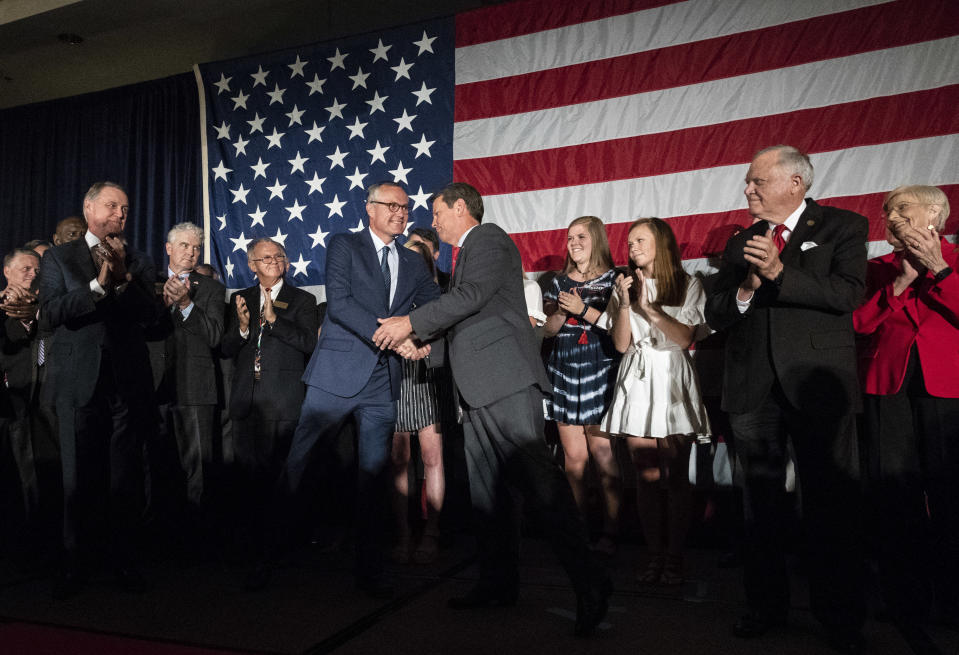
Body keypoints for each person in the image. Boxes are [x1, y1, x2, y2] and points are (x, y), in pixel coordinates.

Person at [373, 182, 611, 637]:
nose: (434, 221)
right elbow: (470, 325)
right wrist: (424, 351)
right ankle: (498, 582)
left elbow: (471, 299)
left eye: (439, 212)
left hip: (505, 385)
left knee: (542, 486)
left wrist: (412, 324)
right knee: (490, 496)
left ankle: (591, 582)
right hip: (478, 390)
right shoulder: (465, 255)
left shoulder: (489, 240)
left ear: (461, 207)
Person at [704, 146, 868, 653]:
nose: (747, 189)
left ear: (795, 184)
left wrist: (779, 274)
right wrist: (748, 289)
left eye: (757, 181)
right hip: (753, 387)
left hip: (816, 386)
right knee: (760, 505)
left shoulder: (844, 226)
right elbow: (717, 311)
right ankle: (764, 607)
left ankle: (838, 617)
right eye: (748, 182)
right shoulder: (742, 241)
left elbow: (847, 295)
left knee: (830, 504)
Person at [271, 182, 439, 598]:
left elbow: (435, 303)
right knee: (298, 468)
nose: (400, 212)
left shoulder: (414, 262)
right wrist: (396, 338)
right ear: (370, 209)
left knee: (373, 478)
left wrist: (421, 333)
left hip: (383, 384)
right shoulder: (344, 244)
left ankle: (370, 570)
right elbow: (341, 305)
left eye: (405, 207)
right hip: (335, 377)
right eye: (391, 206)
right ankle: (269, 557)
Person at [39, 181, 159, 598]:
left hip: (126, 382)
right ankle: (76, 563)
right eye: (112, 206)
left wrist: (124, 280)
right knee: (78, 478)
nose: (120, 216)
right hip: (78, 381)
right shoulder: (58, 257)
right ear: (89, 208)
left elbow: (154, 319)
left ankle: (123, 561)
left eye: (125, 209)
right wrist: (96, 286)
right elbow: (50, 313)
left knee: (124, 476)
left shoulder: (139, 261)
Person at [853, 185, 958, 629]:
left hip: (948, 391)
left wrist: (939, 270)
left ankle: (952, 601)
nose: (889, 216)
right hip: (887, 388)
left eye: (900, 209)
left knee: (951, 496)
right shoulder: (875, 269)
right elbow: (858, 324)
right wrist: (900, 282)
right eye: (886, 210)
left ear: (934, 214)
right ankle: (903, 600)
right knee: (895, 497)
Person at [600, 218, 711, 585]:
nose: (631, 247)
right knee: (645, 476)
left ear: (661, 244)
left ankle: (675, 556)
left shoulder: (688, 284)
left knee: (676, 475)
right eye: (629, 242)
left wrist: (650, 308)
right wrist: (626, 303)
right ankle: (654, 555)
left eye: (640, 241)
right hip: (637, 377)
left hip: (672, 376)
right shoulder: (625, 286)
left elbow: (683, 339)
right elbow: (619, 344)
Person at [220, 238, 316, 566]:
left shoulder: (302, 299)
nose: (273, 261)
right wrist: (244, 329)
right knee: (249, 477)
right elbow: (227, 348)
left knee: (281, 477)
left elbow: (308, 344)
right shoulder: (240, 299)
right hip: (247, 402)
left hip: (283, 401)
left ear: (286, 262)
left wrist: (274, 321)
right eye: (265, 258)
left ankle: (281, 546)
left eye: (278, 256)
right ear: (252, 265)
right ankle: (251, 546)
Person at [542, 216, 622, 555]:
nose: (574, 242)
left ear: (598, 240)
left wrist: (582, 309)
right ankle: (578, 534)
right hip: (564, 370)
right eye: (570, 237)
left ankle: (612, 534)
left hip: (599, 370)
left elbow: (621, 329)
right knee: (573, 460)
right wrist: (561, 312)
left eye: (581, 236)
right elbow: (547, 330)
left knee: (602, 456)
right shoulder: (556, 282)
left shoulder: (615, 279)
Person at [145, 222, 225, 543]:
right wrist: (164, 304)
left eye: (195, 248)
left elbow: (215, 336)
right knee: (156, 463)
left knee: (197, 466)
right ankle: (155, 535)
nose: (191, 253)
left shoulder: (210, 289)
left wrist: (185, 304)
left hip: (195, 387)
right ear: (168, 248)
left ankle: (196, 536)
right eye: (184, 246)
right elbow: (138, 331)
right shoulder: (147, 286)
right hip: (153, 387)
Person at [390, 239, 444, 565]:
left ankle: (433, 532)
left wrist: (423, 344)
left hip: (427, 379)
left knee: (432, 458)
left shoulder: (435, 296)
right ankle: (402, 534)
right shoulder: (388, 293)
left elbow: (446, 334)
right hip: (396, 378)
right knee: (398, 460)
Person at [0, 249, 44, 526]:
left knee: (36, 475)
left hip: (42, 403)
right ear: (7, 271)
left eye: (36, 270)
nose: (32, 274)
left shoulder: (48, 307)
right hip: (9, 403)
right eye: (26, 268)